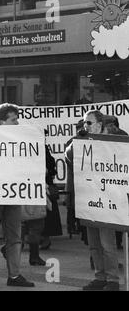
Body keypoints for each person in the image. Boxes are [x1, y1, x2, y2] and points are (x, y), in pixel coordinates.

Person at [0, 103, 35, 291]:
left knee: (14, 237)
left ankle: (14, 274)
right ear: (2, 120)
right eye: (13, 119)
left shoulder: (23, 140)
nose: (17, 122)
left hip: (13, 193)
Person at [65, 110, 120, 291]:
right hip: (89, 198)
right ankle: (100, 276)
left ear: (99, 123)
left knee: (107, 243)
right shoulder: (82, 141)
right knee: (94, 243)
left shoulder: (113, 140)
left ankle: (112, 279)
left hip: (107, 199)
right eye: (84, 123)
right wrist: (77, 140)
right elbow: (69, 157)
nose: (85, 126)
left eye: (89, 123)